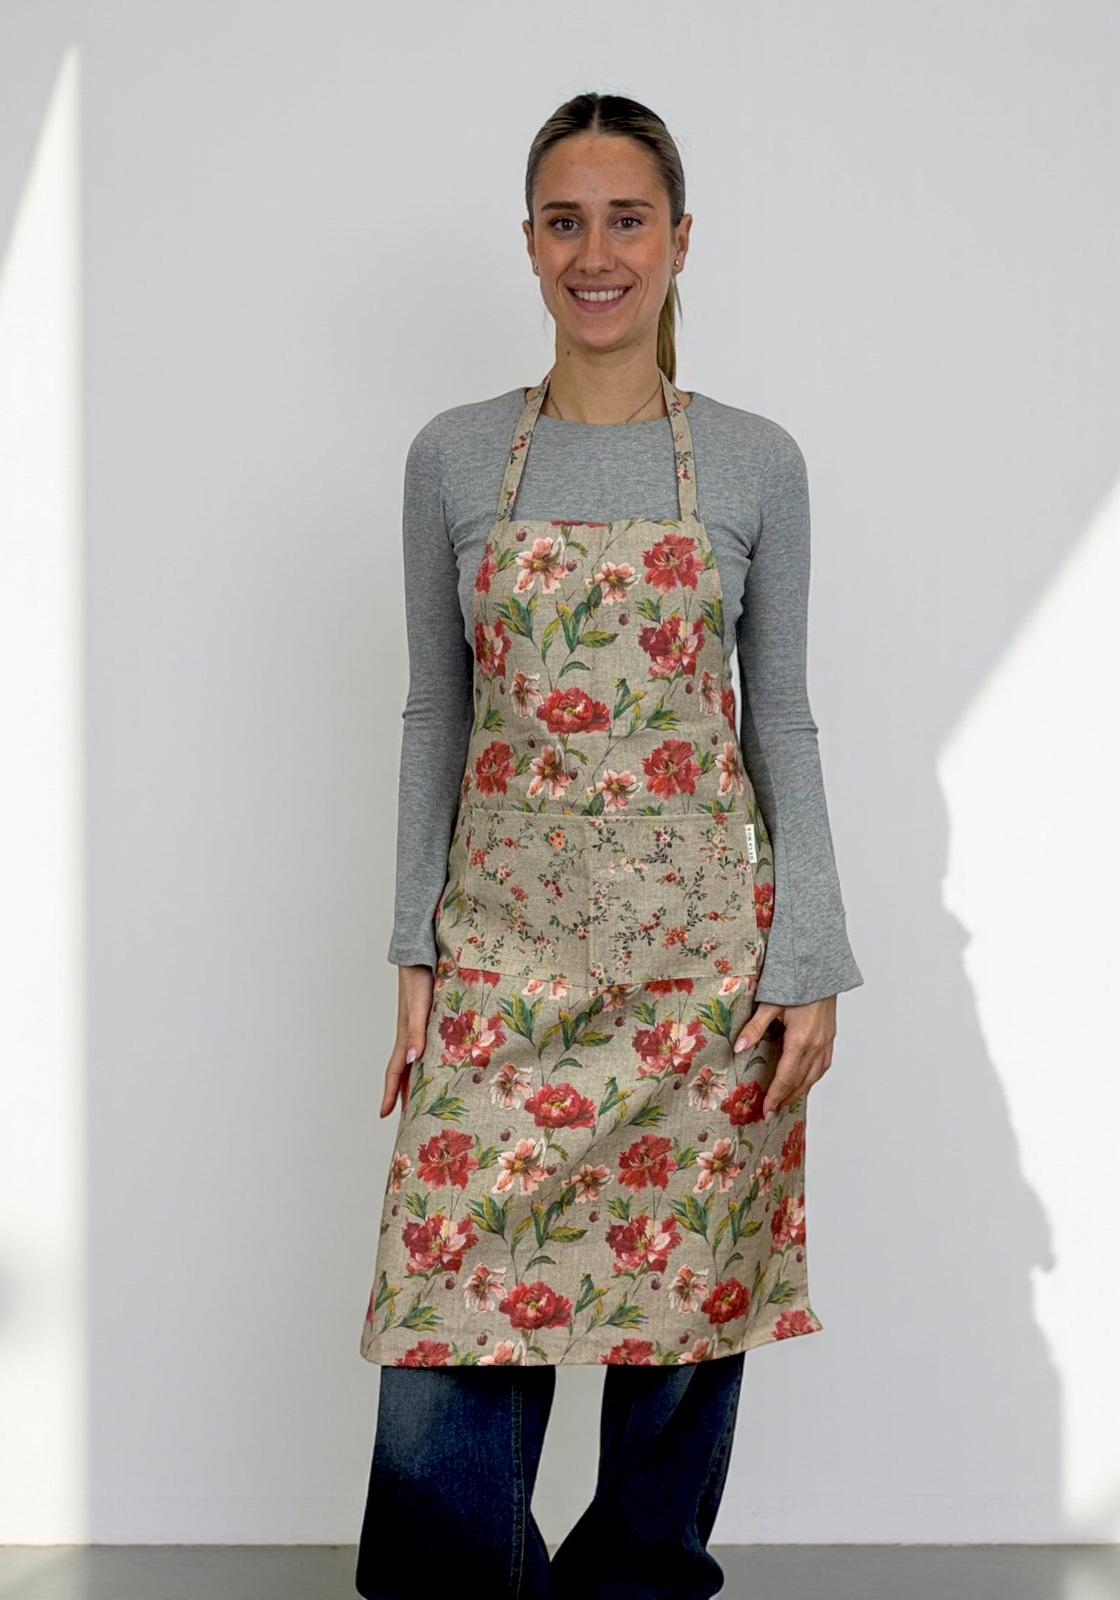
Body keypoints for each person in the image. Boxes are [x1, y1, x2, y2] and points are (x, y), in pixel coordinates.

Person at [355, 90, 864, 1600]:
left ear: (680, 240)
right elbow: (434, 715)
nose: (597, 253)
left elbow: (782, 721)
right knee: (455, 1310)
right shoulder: (454, 459)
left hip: (704, 977)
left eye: (627, 220)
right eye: (565, 222)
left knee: (682, 1317)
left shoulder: (756, 463)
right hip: (503, 960)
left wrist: (810, 953)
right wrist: (414, 945)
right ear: (527, 243)